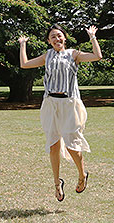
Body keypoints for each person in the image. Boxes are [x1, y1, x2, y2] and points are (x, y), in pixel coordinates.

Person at [19, 24, 102, 201]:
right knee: (53, 145)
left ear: (65, 38)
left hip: (69, 103)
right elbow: (24, 64)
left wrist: (92, 37)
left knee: (73, 144)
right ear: (48, 41)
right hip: (50, 103)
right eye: (53, 37)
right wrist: (22, 44)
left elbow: (97, 56)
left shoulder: (74, 54)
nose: (57, 39)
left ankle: (82, 175)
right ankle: (57, 183)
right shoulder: (47, 56)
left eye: (59, 36)